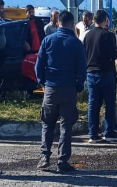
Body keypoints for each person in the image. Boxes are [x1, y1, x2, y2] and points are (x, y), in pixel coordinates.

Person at [35, 11, 87, 173]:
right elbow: (82, 69)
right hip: (69, 89)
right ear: (72, 24)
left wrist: (42, 82)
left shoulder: (47, 41)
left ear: (58, 23)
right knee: (66, 126)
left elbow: (39, 65)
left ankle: (44, 157)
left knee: (47, 123)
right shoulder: (76, 43)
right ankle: (62, 161)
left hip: (51, 88)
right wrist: (79, 86)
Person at [84, 10, 117, 143]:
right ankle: (109, 132)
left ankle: (93, 134)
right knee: (109, 104)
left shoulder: (87, 36)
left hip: (90, 73)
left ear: (93, 20)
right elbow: (113, 54)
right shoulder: (108, 35)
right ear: (105, 20)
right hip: (106, 73)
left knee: (93, 104)